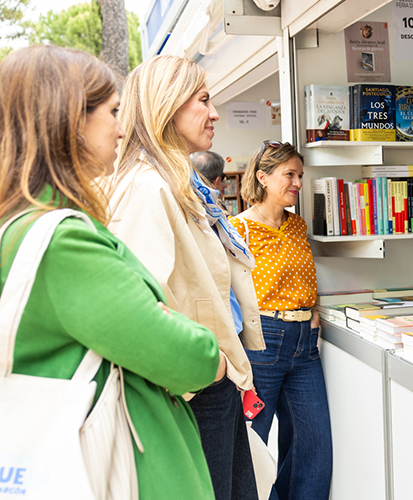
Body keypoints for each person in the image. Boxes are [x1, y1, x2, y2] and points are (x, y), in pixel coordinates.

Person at [0, 45, 224, 499]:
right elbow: (184, 354)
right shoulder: (64, 242)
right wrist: (208, 351)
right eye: (113, 111)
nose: (122, 128)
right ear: (68, 120)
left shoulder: (20, 225)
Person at [107, 55, 265, 500]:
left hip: (209, 381)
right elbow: (138, 307)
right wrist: (211, 366)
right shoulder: (148, 188)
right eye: (203, 100)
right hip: (197, 387)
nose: (214, 113)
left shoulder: (180, 183)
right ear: (167, 105)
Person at [229, 141, 333, 500]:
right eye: (289, 174)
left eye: (300, 175)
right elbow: (227, 291)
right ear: (263, 177)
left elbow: (302, 279)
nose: (298, 183)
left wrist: (313, 312)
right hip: (263, 341)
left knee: (313, 445)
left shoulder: (297, 225)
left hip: (305, 344)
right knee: (252, 443)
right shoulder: (237, 229)